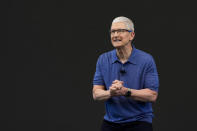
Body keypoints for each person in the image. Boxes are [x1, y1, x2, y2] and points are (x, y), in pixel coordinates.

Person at [92, 16, 159, 131]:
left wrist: (125, 91)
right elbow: (96, 94)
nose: (115, 35)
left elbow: (152, 95)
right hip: (111, 122)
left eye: (120, 31)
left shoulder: (146, 60)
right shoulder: (103, 59)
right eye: (113, 31)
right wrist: (111, 92)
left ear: (132, 35)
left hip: (139, 121)